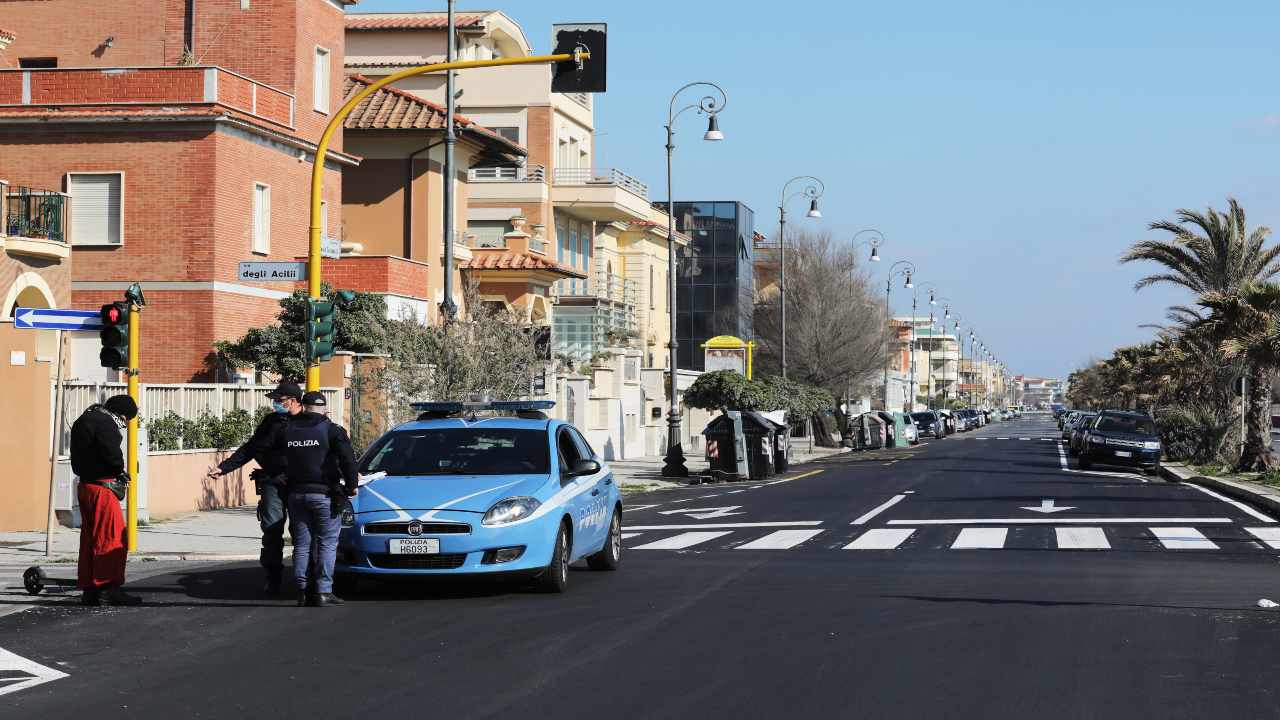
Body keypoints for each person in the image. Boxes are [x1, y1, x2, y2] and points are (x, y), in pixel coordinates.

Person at [205, 381, 301, 594]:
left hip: (298, 486)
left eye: (279, 400)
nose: (275, 404)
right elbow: (251, 448)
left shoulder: (308, 423)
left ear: (293, 401)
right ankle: (273, 579)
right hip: (272, 484)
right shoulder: (271, 421)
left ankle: (302, 580)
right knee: (272, 531)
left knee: (301, 533)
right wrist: (224, 468)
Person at [279, 391, 358, 607]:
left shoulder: (288, 430)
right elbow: (348, 460)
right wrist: (352, 486)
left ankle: (302, 590)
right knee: (327, 543)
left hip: (296, 495)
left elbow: (276, 459)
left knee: (302, 544)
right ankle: (323, 591)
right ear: (324, 408)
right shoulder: (332, 430)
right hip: (324, 494)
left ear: (303, 406)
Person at [69, 394, 142, 606]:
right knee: (112, 538)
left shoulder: (83, 419)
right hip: (103, 487)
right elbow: (112, 453)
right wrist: (119, 470)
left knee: (90, 539)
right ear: (122, 414)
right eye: (127, 419)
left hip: (85, 486)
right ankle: (109, 588)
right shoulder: (105, 423)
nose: (126, 423)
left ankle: (89, 589)